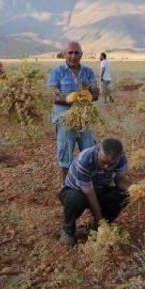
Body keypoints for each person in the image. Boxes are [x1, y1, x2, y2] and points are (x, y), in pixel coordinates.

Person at [58, 138, 131, 245]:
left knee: (123, 195)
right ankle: (68, 230)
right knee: (74, 200)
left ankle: (94, 227)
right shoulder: (84, 159)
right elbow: (90, 194)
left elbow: (119, 180)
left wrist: (133, 189)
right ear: (98, 150)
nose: (107, 167)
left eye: (111, 164)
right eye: (103, 162)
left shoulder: (121, 159)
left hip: (100, 190)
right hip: (77, 191)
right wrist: (100, 221)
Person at [48, 41, 99, 185]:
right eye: (70, 52)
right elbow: (51, 95)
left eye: (77, 53)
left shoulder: (88, 72)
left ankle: (88, 186)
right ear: (64, 54)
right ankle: (67, 188)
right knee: (65, 155)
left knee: (89, 153)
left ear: (81, 55)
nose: (73, 56)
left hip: (84, 118)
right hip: (64, 118)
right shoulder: (57, 72)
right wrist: (67, 98)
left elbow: (95, 93)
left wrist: (91, 94)